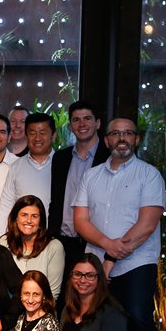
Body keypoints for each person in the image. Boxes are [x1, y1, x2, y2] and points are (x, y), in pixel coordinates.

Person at [72, 117, 166, 331]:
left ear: (136, 139)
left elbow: (147, 225)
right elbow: (80, 221)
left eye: (128, 133)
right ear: (106, 140)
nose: (121, 138)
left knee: (138, 316)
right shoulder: (91, 176)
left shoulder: (149, 175)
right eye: (115, 133)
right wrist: (106, 247)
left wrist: (111, 256)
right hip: (97, 264)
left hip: (137, 261)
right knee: (101, 325)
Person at [50, 101, 110, 283]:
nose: (82, 124)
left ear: (97, 123)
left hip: (96, 243)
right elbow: (56, 200)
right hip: (63, 242)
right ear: (71, 126)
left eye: (87, 119)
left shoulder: (109, 157)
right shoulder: (60, 158)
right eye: (76, 120)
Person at [0, 112, 56, 239]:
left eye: (43, 133)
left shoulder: (63, 165)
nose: (37, 138)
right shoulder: (16, 167)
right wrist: (1, 242)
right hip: (22, 239)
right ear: (26, 137)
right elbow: (6, 207)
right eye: (32, 133)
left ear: (53, 136)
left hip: (55, 238)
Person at [0, 195, 66, 300]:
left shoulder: (54, 247)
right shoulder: (4, 242)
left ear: (41, 221)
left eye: (34, 216)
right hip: (10, 307)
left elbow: (53, 294)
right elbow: (0, 285)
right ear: (16, 218)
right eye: (24, 215)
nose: (29, 220)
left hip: (42, 308)